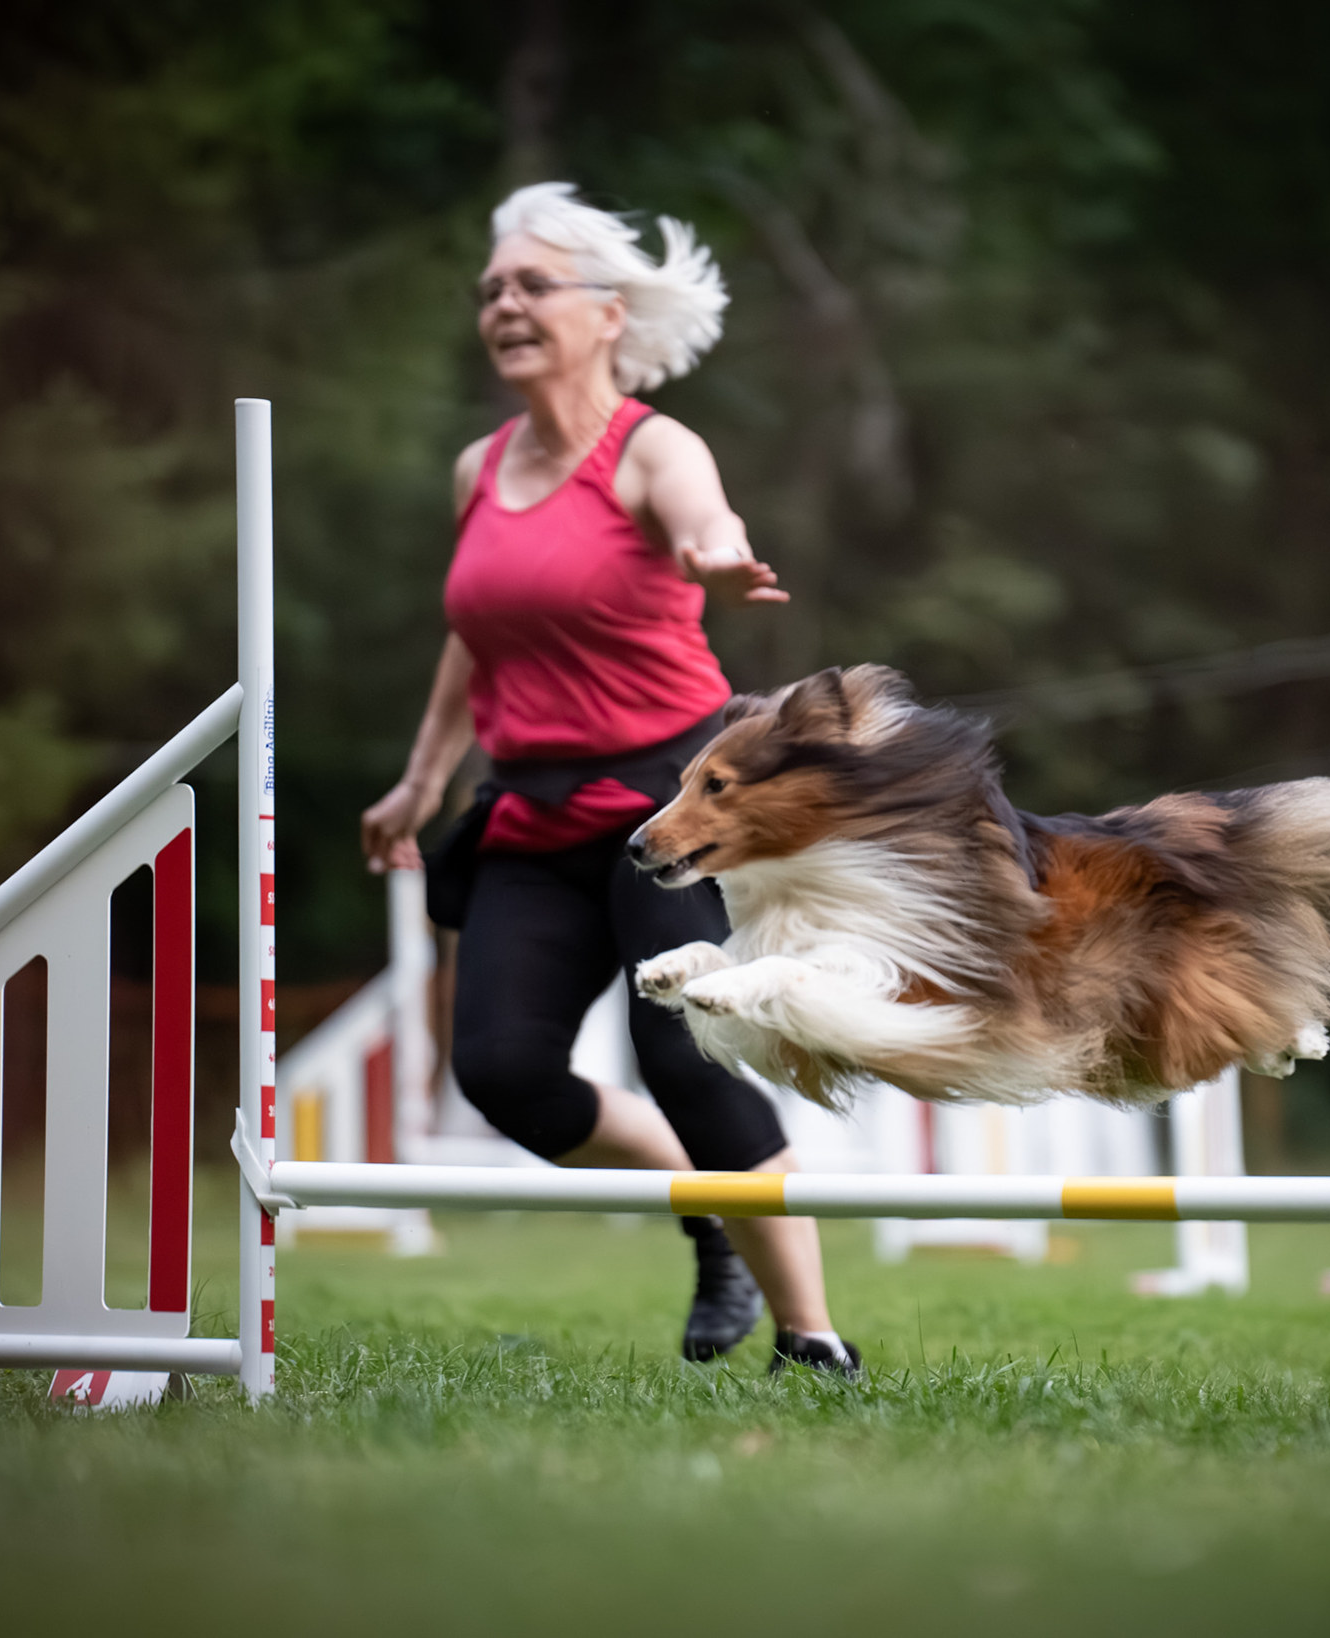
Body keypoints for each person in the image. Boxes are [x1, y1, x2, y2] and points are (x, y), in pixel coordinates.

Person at [360, 182, 859, 1374]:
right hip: (530, 813)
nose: (504, 306)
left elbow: (704, 521)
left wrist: (716, 559)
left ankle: (811, 1339)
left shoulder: (651, 447)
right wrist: (424, 776)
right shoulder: (476, 469)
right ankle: (710, 1209)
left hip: (669, 807)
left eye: (532, 285)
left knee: (683, 1051)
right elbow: (478, 627)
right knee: (501, 1073)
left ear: (606, 314)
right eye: (490, 290)